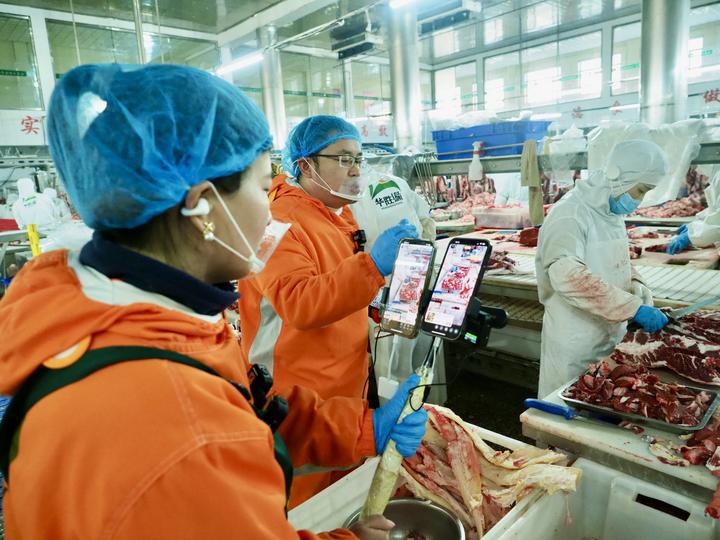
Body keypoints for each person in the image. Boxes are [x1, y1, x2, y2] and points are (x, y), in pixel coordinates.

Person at [0, 63, 427, 540]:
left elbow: (250, 410)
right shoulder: (168, 414)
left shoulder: (149, 314)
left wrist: (364, 428)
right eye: (263, 188)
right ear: (202, 206)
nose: (271, 211)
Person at [535, 140, 670, 398]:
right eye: (641, 190)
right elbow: (567, 276)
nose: (639, 200)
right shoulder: (570, 213)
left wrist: (635, 284)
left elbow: (613, 259)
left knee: (605, 406)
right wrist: (632, 308)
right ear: (620, 176)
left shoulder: (610, 212)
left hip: (610, 334)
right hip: (576, 341)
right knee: (565, 411)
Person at [667, 169, 720, 255]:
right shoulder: (717, 173)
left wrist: (692, 236)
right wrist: (696, 224)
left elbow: (718, 225)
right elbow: (715, 209)